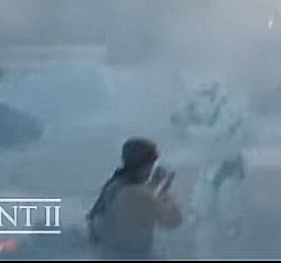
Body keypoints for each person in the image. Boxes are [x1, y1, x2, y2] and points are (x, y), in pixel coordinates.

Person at [170, 82, 251, 239]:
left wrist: (188, 128)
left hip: (230, 162)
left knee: (227, 199)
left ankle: (232, 225)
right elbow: (187, 118)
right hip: (211, 161)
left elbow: (217, 133)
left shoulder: (229, 109)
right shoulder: (201, 107)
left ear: (213, 96)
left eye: (204, 95)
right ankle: (198, 219)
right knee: (202, 195)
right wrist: (181, 120)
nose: (199, 101)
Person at [87, 138, 183, 259]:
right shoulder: (139, 194)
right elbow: (173, 221)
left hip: (107, 252)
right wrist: (163, 191)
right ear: (148, 166)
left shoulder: (115, 184)